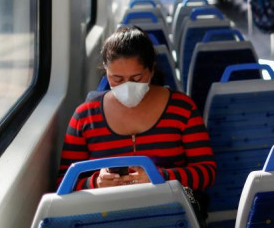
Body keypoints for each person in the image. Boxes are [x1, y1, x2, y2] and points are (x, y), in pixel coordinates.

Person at [56, 26, 216, 206]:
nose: (127, 86)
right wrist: (94, 182)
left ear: (151, 71)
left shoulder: (182, 109)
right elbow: (63, 183)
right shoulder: (85, 117)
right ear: (106, 73)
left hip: (169, 211)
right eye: (117, 79)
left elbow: (207, 172)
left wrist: (160, 177)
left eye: (136, 78)